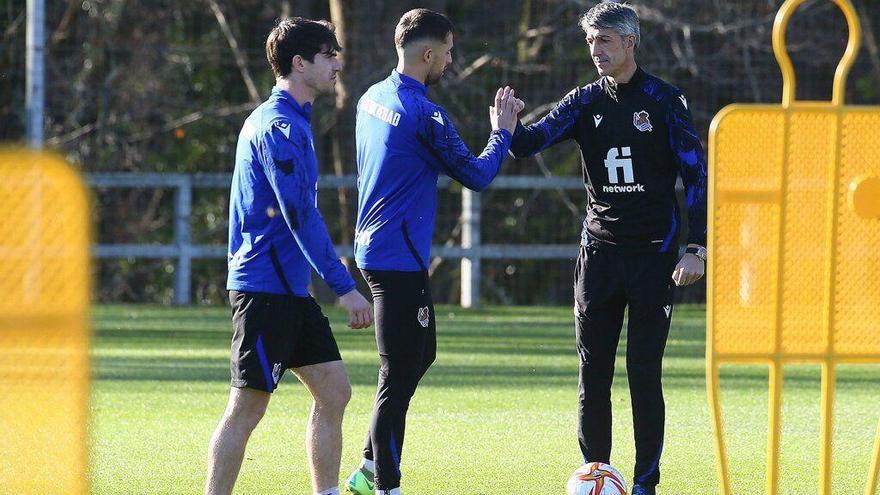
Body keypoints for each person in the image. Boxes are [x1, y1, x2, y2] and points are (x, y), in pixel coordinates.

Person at [508, 3, 707, 495]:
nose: (596, 51)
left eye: (605, 42)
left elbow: (697, 178)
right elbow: (528, 144)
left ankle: (644, 484)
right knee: (592, 371)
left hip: (654, 257)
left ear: (629, 43)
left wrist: (696, 249)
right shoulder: (583, 101)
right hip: (598, 256)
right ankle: (597, 476)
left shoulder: (664, 101)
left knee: (643, 373)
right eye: (591, 42)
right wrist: (507, 125)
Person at [344, 8, 521, 495]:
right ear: (428, 53)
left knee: (420, 355)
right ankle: (384, 484)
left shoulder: (370, 98)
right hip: (397, 258)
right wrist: (502, 131)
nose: (450, 61)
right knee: (397, 373)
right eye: (447, 52)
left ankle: (369, 469)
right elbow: (478, 176)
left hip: (376, 248)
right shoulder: (425, 114)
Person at [204, 17, 373, 495]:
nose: (338, 63)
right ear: (300, 64)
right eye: (328, 55)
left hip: (290, 291)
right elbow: (299, 216)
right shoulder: (278, 126)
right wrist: (345, 288)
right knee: (247, 407)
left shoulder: (295, 120)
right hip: (264, 290)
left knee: (335, 392)